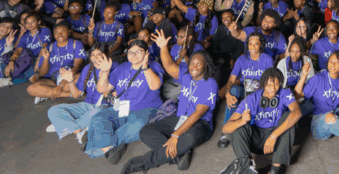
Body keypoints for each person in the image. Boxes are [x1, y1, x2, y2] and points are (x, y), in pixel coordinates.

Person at [120, 31, 219, 173]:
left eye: (199, 64)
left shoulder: (210, 83)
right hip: (180, 118)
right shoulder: (186, 75)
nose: (194, 67)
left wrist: (175, 135)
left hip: (201, 124)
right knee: (146, 131)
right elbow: (169, 66)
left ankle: (138, 164)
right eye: (192, 63)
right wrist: (163, 48)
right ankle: (179, 154)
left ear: (206, 66)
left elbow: (198, 113)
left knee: (188, 137)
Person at [86, 39, 163, 163]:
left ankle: (100, 145)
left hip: (146, 108)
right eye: (130, 52)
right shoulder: (123, 67)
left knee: (137, 126)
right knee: (98, 117)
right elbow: (102, 89)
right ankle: (109, 147)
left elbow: (155, 86)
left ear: (146, 53)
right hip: (123, 108)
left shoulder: (154, 65)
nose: (133, 55)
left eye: (138, 51)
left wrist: (145, 67)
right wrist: (105, 71)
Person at [218, 67, 301, 174]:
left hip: (278, 140)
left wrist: (273, 136)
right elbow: (225, 129)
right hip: (257, 139)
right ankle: (246, 166)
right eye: (269, 85)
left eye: (276, 84)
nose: (273, 88)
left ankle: (275, 169)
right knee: (238, 128)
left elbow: (297, 112)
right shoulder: (252, 99)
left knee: (290, 117)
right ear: (263, 84)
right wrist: (242, 121)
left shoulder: (285, 93)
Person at [45, 42, 112, 146]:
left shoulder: (115, 67)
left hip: (105, 106)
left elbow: (109, 93)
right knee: (53, 110)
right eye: (93, 54)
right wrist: (71, 81)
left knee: (97, 111)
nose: (95, 58)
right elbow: (76, 95)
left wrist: (105, 72)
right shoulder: (88, 68)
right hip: (87, 105)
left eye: (99, 54)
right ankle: (77, 130)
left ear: (106, 54)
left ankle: (64, 125)